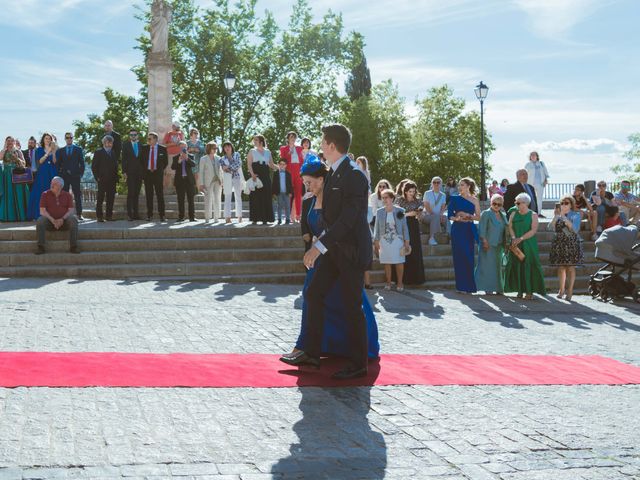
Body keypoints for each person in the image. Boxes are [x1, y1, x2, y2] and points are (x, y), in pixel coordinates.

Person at [281, 124, 373, 380]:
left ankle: (358, 364)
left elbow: (348, 220)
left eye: (323, 142)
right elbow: (331, 217)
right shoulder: (333, 172)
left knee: (352, 306)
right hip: (334, 250)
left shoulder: (354, 175)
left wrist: (319, 247)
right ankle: (310, 352)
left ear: (332, 145)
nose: (320, 146)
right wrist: (319, 245)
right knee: (314, 292)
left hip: (352, 252)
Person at [504, 192, 546, 300]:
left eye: (518, 203)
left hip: (528, 244)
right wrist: (513, 238)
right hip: (515, 244)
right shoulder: (513, 213)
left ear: (525, 203)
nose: (516, 204)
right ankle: (519, 290)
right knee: (517, 266)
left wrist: (521, 238)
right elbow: (510, 226)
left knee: (529, 266)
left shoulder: (533, 215)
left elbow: (533, 230)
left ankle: (529, 291)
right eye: (515, 202)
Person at [448, 177, 481, 293]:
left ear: (468, 186)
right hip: (457, 230)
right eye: (459, 185)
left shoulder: (475, 200)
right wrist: (456, 218)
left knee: (469, 257)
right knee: (459, 258)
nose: (459, 187)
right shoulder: (454, 199)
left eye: (462, 185)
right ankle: (461, 287)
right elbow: (449, 215)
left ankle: (470, 286)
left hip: (468, 229)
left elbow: (478, 217)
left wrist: (468, 215)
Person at [374, 189, 410, 291]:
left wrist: (407, 241)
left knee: (399, 262)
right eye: (383, 198)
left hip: (397, 239)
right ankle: (388, 282)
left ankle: (400, 283)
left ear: (392, 198)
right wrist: (376, 240)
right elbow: (376, 227)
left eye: (386, 197)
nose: (384, 200)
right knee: (387, 262)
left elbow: (404, 227)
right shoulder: (379, 211)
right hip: (384, 240)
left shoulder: (400, 211)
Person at [549, 195, 583, 301]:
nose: (564, 205)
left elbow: (575, 230)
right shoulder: (557, 215)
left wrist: (564, 218)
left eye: (566, 203)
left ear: (571, 204)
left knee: (570, 268)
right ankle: (561, 289)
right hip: (559, 244)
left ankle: (570, 290)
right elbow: (550, 228)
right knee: (561, 268)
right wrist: (556, 217)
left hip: (571, 243)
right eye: (562, 203)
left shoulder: (575, 215)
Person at [35, 177, 79, 254]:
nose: (51, 185)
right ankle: (41, 247)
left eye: (54, 184)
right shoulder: (45, 194)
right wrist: (53, 220)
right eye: (51, 183)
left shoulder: (67, 195)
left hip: (64, 222)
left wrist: (62, 219)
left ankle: (73, 246)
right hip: (50, 222)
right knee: (40, 221)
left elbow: (71, 211)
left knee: (73, 219)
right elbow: (42, 211)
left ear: (60, 186)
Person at [474, 194, 507, 294]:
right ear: (491, 203)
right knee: (486, 267)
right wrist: (484, 241)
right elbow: (482, 228)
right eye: (494, 203)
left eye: (499, 204)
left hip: (499, 245)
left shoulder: (503, 215)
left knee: (497, 267)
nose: (496, 206)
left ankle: (498, 288)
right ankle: (488, 288)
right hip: (487, 244)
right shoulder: (486, 213)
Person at [395, 180, 425, 285]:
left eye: (413, 191)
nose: (412, 193)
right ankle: (402, 279)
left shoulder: (418, 201)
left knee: (415, 250)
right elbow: (397, 216)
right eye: (410, 191)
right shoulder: (399, 201)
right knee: (403, 250)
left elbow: (421, 215)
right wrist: (409, 214)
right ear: (405, 191)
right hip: (402, 225)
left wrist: (420, 212)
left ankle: (416, 278)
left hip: (414, 226)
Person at [27, 133, 58, 221]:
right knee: (40, 193)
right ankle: (38, 214)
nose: (48, 140)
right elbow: (40, 161)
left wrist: (54, 151)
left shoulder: (54, 149)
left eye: (49, 138)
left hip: (52, 172)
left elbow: (55, 161)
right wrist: (48, 152)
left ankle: (51, 214)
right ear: (43, 140)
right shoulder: (39, 149)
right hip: (42, 173)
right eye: (46, 138)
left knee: (52, 192)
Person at [247, 134, 275, 225]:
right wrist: (252, 174)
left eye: (256, 140)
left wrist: (280, 168)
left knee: (266, 196)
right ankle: (255, 218)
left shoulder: (268, 152)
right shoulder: (252, 151)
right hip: (256, 175)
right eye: (254, 140)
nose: (254, 142)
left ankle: (265, 218)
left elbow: (271, 164)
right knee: (255, 196)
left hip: (266, 175)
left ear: (261, 141)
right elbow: (249, 164)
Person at [57, 132, 85, 221]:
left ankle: (79, 214)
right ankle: (64, 214)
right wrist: (60, 174)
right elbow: (59, 164)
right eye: (67, 137)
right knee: (64, 196)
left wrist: (80, 174)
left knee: (77, 195)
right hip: (64, 177)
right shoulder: (61, 150)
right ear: (65, 139)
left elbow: (82, 163)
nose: (69, 139)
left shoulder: (78, 149)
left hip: (75, 176)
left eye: (70, 137)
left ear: (73, 138)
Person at [0, 136, 29, 222]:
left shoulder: (18, 151)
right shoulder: (4, 151)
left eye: (11, 141)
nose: (10, 142)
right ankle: (7, 217)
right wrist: (4, 148)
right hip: (6, 175)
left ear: (14, 142)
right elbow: (0, 158)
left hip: (17, 175)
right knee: (8, 195)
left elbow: (24, 163)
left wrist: (17, 158)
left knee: (18, 194)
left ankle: (19, 216)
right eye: (8, 141)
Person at [91, 135, 119, 222]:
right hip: (102, 180)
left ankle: (109, 216)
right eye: (107, 142)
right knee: (100, 199)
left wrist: (116, 178)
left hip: (112, 180)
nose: (109, 144)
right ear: (104, 143)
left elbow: (115, 167)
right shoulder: (98, 152)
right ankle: (99, 216)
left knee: (110, 199)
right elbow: (94, 167)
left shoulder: (113, 153)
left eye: (110, 142)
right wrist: (97, 178)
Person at [142, 132, 168, 222]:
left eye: (150, 139)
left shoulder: (163, 149)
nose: (148, 140)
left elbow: (165, 162)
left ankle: (162, 215)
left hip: (158, 174)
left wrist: (159, 170)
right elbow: (142, 162)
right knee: (149, 195)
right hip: (148, 174)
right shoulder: (144, 148)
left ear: (155, 139)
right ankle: (149, 215)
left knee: (160, 195)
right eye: (148, 139)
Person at [279, 132, 304, 222]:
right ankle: (288, 216)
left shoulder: (299, 148)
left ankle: (298, 215)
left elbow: (302, 161)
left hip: (298, 171)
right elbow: (282, 161)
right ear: (288, 138)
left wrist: (303, 172)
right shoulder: (283, 148)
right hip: (289, 172)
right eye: (291, 137)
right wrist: (289, 153)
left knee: (298, 194)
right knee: (288, 194)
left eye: (294, 137)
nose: (293, 138)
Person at [122, 128, 144, 221]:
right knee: (131, 193)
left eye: (134, 134)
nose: (133, 136)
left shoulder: (141, 145)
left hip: (139, 173)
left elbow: (143, 160)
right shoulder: (126, 145)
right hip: (130, 173)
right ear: (129, 136)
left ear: (137, 135)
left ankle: (136, 214)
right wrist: (124, 172)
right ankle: (130, 215)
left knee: (136, 194)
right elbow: (123, 159)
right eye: (131, 135)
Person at [171, 141, 196, 222]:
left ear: (187, 147)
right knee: (180, 200)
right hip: (179, 181)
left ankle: (192, 217)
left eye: (184, 147)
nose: (183, 148)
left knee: (191, 200)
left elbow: (194, 165)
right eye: (181, 147)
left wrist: (187, 158)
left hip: (189, 181)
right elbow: (173, 167)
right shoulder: (175, 157)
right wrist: (178, 161)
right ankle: (181, 217)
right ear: (179, 148)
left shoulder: (191, 156)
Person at [198, 141, 223, 222]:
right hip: (208, 181)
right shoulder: (203, 159)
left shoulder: (219, 158)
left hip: (218, 181)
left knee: (217, 199)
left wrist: (222, 181)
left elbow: (221, 170)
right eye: (213, 148)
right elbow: (201, 172)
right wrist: (201, 184)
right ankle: (207, 218)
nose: (215, 149)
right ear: (209, 148)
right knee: (208, 199)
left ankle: (216, 218)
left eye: (216, 148)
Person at [220, 141, 244, 223]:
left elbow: (238, 164)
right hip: (227, 178)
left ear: (231, 147)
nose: (227, 148)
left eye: (228, 146)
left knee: (238, 196)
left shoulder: (237, 154)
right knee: (227, 197)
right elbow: (223, 168)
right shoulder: (222, 159)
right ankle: (227, 217)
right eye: (225, 147)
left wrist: (228, 167)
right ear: (223, 149)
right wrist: (229, 167)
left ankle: (240, 216)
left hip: (237, 177)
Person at [422, 176, 449, 246]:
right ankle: (431, 238)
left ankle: (450, 237)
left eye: (438, 182)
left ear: (441, 184)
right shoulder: (427, 193)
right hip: (427, 216)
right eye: (434, 182)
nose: (436, 184)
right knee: (435, 218)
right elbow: (426, 206)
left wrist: (440, 215)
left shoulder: (443, 195)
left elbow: (443, 208)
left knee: (447, 219)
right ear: (432, 184)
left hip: (438, 216)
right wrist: (436, 216)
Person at [524, 151, 549, 216]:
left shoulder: (541, 163)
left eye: (534, 155)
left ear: (537, 156)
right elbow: (524, 174)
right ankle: (531, 212)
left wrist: (545, 180)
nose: (533, 156)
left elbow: (546, 173)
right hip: (530, 184)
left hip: (540, 184)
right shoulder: (528, 164)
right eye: (531, 155)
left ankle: (539, 213)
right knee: (531, 198)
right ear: (530, 157)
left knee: (539, 199)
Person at [163, 121, 185, 187]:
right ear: (173, 126)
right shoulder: (169, 134)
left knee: (178, 173)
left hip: (179, 155)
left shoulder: (181, 134)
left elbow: (184, 144)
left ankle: (176, 189)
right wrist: (173, 144)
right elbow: (164, 145)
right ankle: (164, 190)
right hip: (170, 155)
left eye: (178, 127)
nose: (178, 128)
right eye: (176, 126)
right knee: (169, 172)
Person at [272, 158, 292, 225]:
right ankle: (279, 219)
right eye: (280, 164)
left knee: (287, 206)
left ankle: (288, 219)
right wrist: (274, 193)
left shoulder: (288, 173)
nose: (282, 166)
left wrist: (290, 192)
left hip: (287, 192)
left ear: (286, 165)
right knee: (279, 206)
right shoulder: (276, 173)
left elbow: (290, 184)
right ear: (278, 165)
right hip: (279, 192)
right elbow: (274, 183)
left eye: (283, 164)